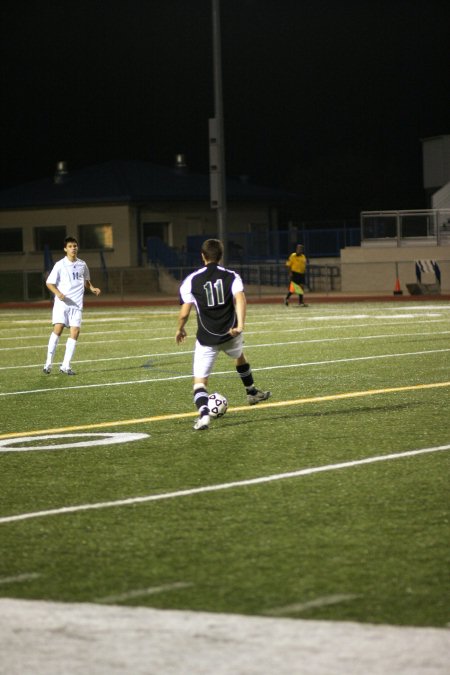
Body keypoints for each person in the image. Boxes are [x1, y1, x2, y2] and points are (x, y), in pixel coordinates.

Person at [175, 238, 271, 430]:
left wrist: (180, 328)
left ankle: (203, 416)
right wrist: (241, 325)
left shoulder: (191, 280)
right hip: (230, 334)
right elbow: (240, 299)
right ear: (220, 256)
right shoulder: (232, 276)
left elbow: (185, 312)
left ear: (203, 256)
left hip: (206, 339)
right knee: (240, 356)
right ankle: (251, 391)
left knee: (200, 383)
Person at [42, 236, 101, 375]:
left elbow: (86, 280)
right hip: (62, 304)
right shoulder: (60, 265)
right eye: (70, 246)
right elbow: (49, 282)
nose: (73, 248)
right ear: (65, 249)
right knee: (58, 329)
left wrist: (91, 288)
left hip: (76, 304)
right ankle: (48, 362)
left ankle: (65, 365)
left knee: (75, 332)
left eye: (75, 246)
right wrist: (58, 293)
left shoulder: (82, 264)